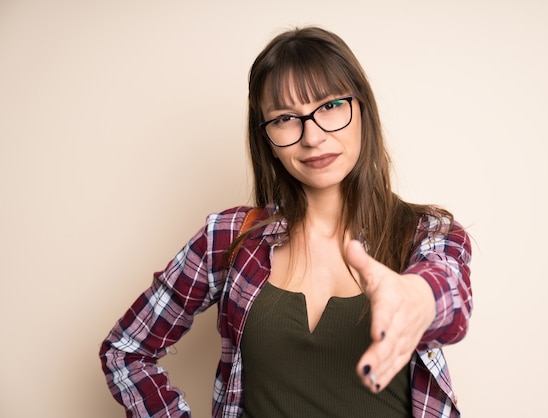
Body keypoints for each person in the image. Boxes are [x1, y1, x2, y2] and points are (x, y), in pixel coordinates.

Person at [99, 26, 473, 418]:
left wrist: (419, 298)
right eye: (285, 119)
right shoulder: (227, 238)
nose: (312, 136)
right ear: (266, 139)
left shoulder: (426, 233)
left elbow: (450, 292)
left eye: (330, 106)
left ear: (363, 109)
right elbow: (126, 351)